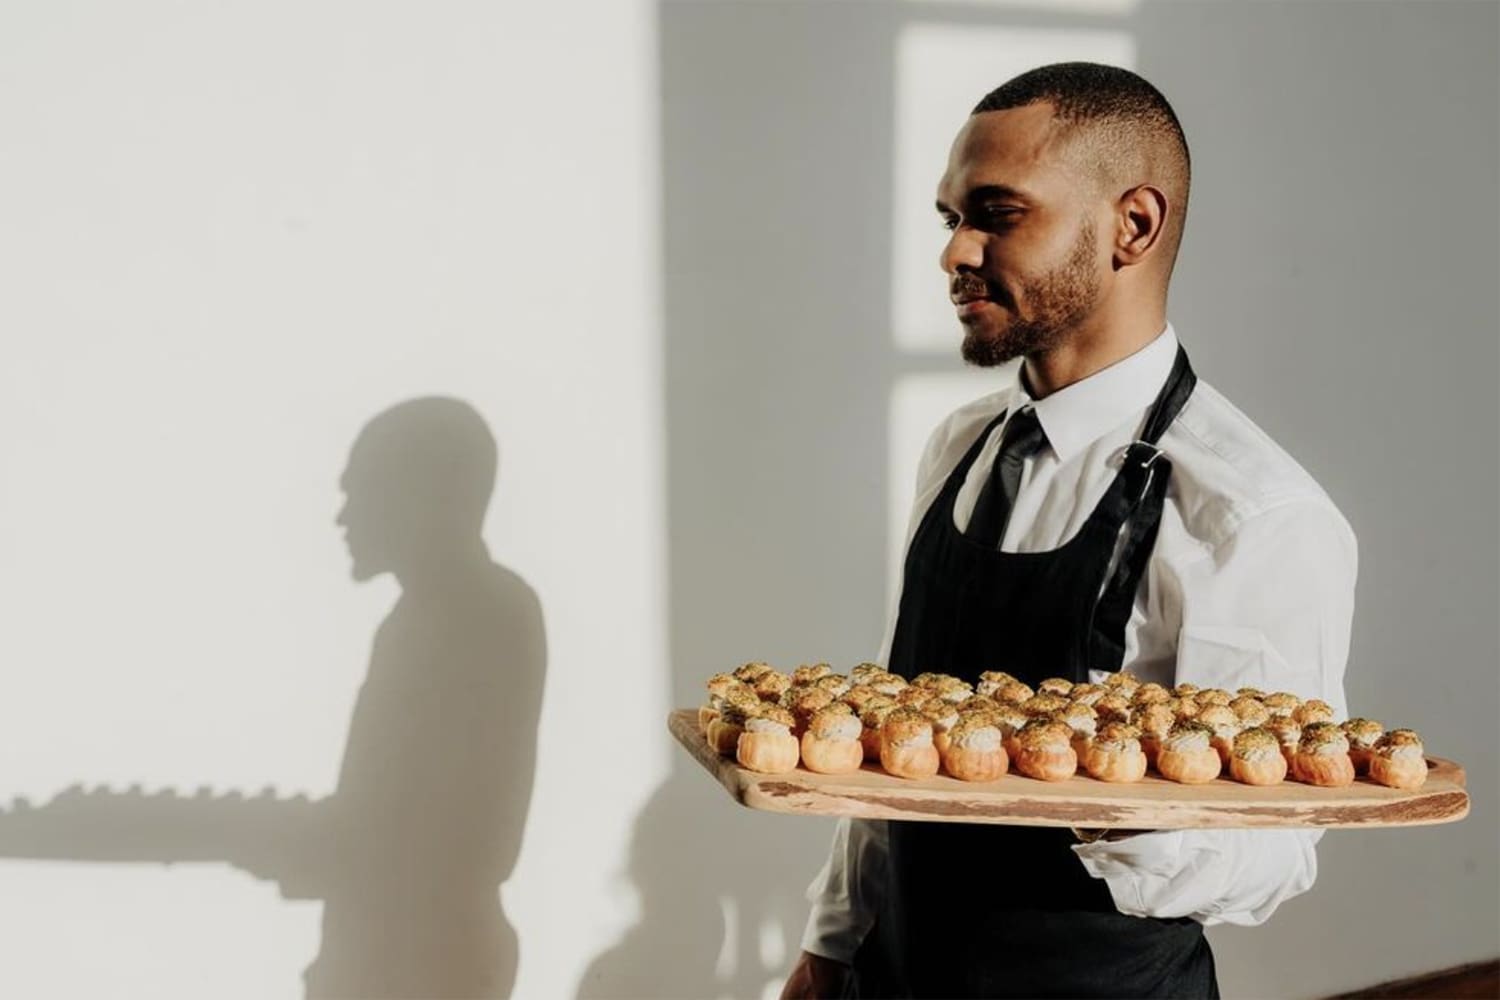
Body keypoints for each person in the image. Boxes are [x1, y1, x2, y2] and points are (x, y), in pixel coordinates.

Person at [780, 62, 1356, 999]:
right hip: (899, 976)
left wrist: (1093, 799)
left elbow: (1277, 849)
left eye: (997, 214)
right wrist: (832, 941)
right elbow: (901, 724)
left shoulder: (1249, 513)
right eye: (949, 219)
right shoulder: (960, 447)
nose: (955, 253)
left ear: (1133, 225)